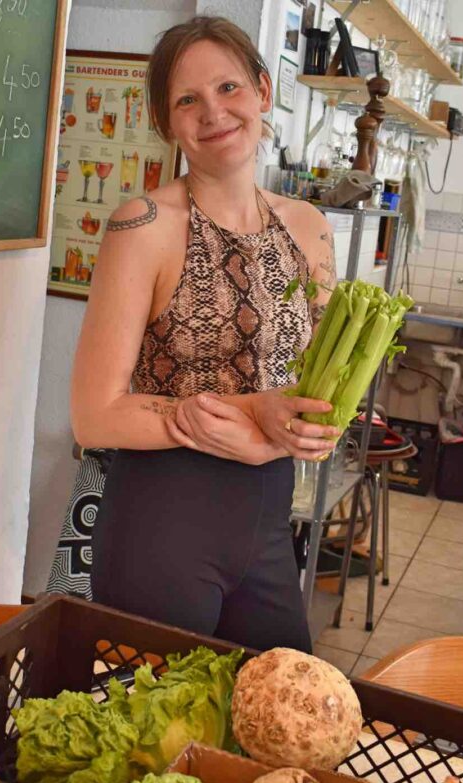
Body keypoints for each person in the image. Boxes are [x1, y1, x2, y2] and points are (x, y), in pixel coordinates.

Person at [70, 16, 340, 653]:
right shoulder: (142, 225)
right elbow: (93, 416)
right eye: (187, 100)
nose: (213, 112)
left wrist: (269, 445)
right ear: (167, 123)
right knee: (146, 741)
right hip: (161, 525)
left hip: (271, 522)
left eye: (228, 88)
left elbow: (323, 403)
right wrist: (252, 412)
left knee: (276, 726)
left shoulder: (309, 229)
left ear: (264, 92)